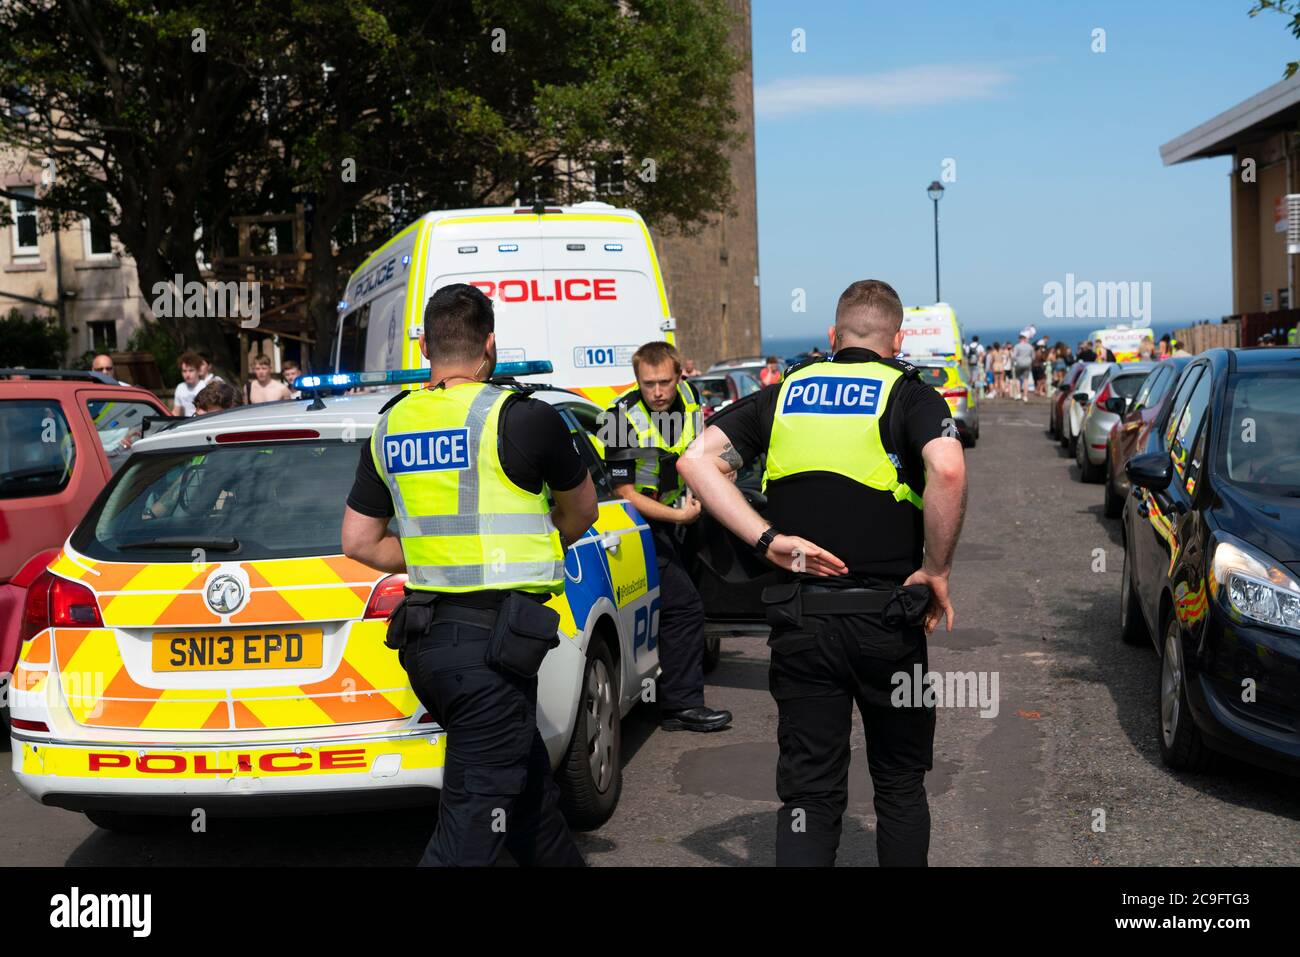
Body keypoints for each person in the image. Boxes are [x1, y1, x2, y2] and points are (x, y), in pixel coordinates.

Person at [678, 279, 967, 867]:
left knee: (810, 792)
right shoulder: (911, 396)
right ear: (898, 338)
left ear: (832, 337)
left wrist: (768, 539)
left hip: (803, 621)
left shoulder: (783, 392)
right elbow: (949, 471)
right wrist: (935, 570)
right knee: (899, 783)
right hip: (889, 620)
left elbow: (695, 461)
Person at [341, 283, 593, 867]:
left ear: (425, 344)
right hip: (493, 653)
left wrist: (438, 553)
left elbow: (358, 541)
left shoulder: (392, 424)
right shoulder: (524, 418)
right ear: (491, 345)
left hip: (427, 645)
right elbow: (582, 511)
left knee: (527, 801)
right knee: (470, 833)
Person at [601, 342, 733, 732]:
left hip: (680, 518)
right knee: (684, 608)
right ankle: (682, 706)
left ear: (680, 376)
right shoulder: (620, 419)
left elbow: (713, 448)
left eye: (664, 383)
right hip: (638, 525)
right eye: (648, 384)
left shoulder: (690, 400)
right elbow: (628, 495)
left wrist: (723, 473)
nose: (657, 392)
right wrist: (680, 514)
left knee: (682, 604)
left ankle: (666, 689)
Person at [171, 351, 214, 417]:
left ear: (198, 371)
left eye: (191, 370)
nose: (187, 375)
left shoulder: (205, 387)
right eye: (184, 371)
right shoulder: (180, 387)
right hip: (186, 423)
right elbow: (176, 412)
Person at [1011, 334, 1034, 403]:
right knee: (1026, 380)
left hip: (1019, 364)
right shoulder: (1030, 346)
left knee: (1018, 378)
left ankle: (1019, 394)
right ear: (1025, 339)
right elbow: (1033, 357)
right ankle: (1025, 396)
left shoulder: (1017, 346)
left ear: (1020, 339)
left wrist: (1014, 362)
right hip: (1027, 364)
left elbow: (1013, 356)